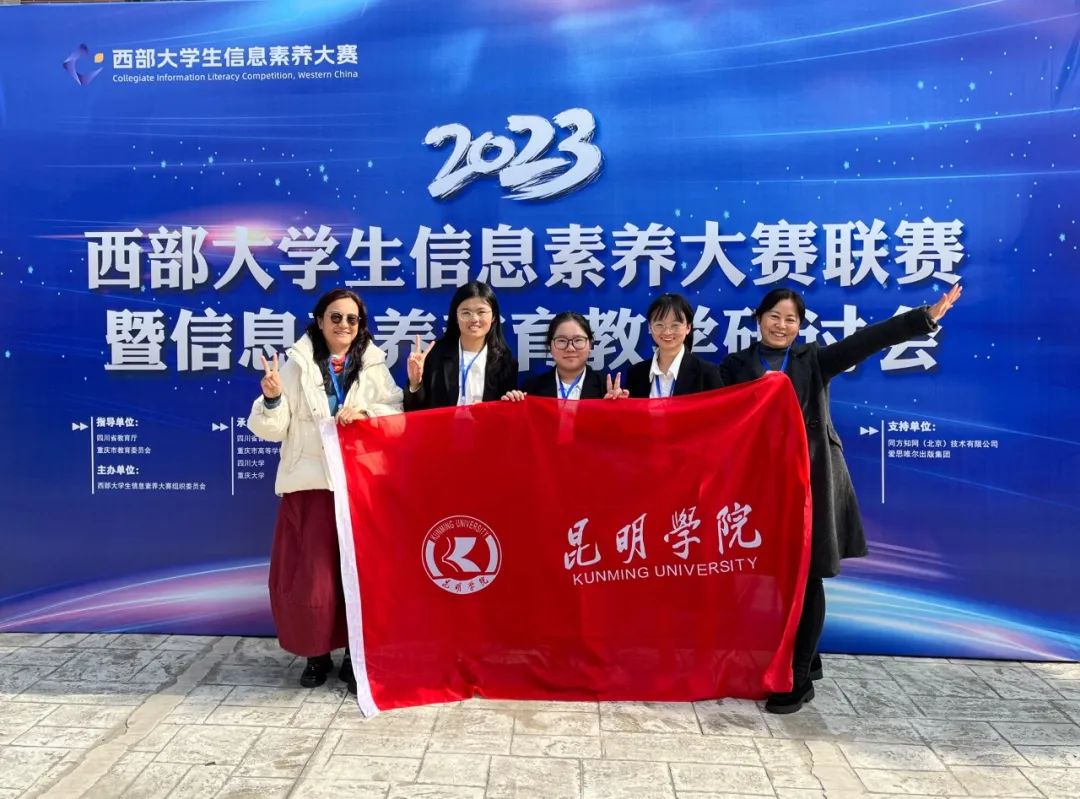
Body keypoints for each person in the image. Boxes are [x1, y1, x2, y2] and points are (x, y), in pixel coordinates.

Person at [719, 283, 963, 713]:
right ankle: (808, 656)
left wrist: (923, 318)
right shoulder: (734, 366)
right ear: (758, 319)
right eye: (774, 316)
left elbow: (865, 342)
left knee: (807, 575)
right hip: (761, 488)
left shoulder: (813, 360)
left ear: (799, 326)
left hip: (811, 483)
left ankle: (797, 679)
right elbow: (711, 417)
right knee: (775, 579)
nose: (781, 325)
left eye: (790, 319)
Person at [248, 288, 404, 694]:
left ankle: (355, 654)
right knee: (313, 578)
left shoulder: (373, 364)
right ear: (319, 321)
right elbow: (272, 429)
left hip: (359, 486)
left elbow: (396, 413)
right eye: (335, 317)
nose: (343, 325)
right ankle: (316, 654)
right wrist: (272, 399)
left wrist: (366, 413)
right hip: (311, 486)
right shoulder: (297, 365)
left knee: (358, 573)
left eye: (352, 319)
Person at [404, 281, 518, 409]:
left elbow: (506, 414)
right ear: (456, 317)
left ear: (493, 317)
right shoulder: (436, 355)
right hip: (445, 423)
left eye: (481, 312)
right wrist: (415, 383)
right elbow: (415, 411)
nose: (474, 319)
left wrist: (511, 401)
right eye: (466, 312)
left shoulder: (505, 362)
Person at [501, 311, 630, 401]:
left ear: (590, 345)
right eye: (562, 341)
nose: (570, 348)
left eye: (578, 340)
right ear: (550, 346)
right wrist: (510, 405)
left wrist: (614, 408)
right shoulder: (531, 388)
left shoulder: (607, 388)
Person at [626, 293, 723, 398]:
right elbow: (630, 408)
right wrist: (618, 402)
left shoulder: (707, 373)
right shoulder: (636, 374)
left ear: (688, 327)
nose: (667, 332)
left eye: (675, 325)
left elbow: (721, 407)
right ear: (650, 327)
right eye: (659, 325)